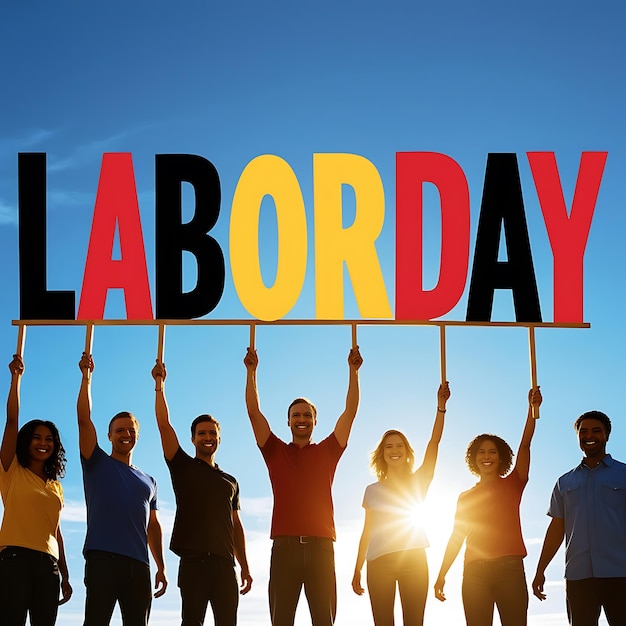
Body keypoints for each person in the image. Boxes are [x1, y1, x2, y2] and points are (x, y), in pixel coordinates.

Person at [244, 345, 363, 626]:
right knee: (281, 619)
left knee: (324, 620)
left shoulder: (328, 450)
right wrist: (251, 373)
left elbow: (351, 411)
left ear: (315, 421)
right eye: (296, 415)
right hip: (284, 549)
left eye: (307, 415)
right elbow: (253, 412)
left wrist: (353, 372)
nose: (301, 419)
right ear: (287, 421)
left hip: (321, 548)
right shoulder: (273, 450)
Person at [151, 359, 252, 625]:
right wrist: (159, 385)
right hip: (193, 563)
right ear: (193, 438)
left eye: (212, 433)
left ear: (219, 438)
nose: (208, 437)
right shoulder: (182, 466)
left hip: (224, 566)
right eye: (202, 433)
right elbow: (164, 425)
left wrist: (245, 565)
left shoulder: (230, 481)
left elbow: (236, 526)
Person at [434, 387, 542, 626]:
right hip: (475, 573)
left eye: (492, 451)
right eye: (481, 452)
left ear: (501, 457)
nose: (487, 456)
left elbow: (525, 445)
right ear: (473, 459)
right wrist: (442, 573)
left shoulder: (514, 484)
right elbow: (456, 537)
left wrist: (532, 409)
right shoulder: (465, 497)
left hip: (510, 570)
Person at [77, 352, 167, 626]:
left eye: (130, 430)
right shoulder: (96, 461)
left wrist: (160, 566)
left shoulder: (150, 480)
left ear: (137, 435)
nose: (125, 434)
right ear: (109, 435)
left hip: (138, 565)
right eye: (119, 430)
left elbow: (153, 526)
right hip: (102, 558)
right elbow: (83, 419)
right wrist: (86, 378)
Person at [352, 382, 451, 626]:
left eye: (399, 446)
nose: (394, 450)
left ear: (407, 452)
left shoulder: (419, 480)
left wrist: (441, 408)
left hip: (414, 560)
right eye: (388, 446)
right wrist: (357, 568)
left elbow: (434, 443)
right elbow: (367, 531)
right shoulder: (371, 490)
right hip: (379, 564)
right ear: (382, 454)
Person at [531, 410, 626, 625]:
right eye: (583, 432)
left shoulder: (624, 474)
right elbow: (556, 529)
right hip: (578, 577)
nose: (589, 436)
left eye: (596, 431)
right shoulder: (564, 482)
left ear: (607, 435)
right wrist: (540, 570)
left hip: (621, 574)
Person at [0, 354, 72, 626]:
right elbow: (10, 421)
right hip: (13, 560)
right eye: (37, 438)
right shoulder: (11, 469)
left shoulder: (55, 486)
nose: (43, 443)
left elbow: (56, 532)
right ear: (26, 442)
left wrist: (64, 574)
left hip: (48, 566)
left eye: (49, 439)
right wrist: (15, 380)